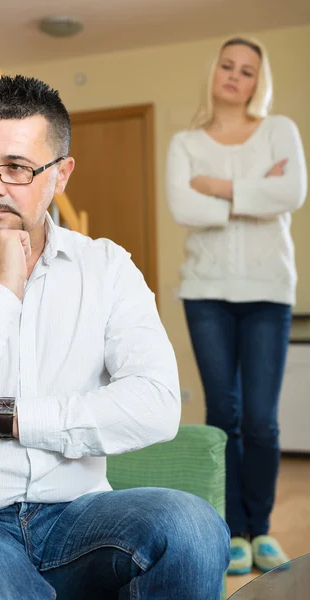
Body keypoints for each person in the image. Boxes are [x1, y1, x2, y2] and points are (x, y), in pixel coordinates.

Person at [0, 75, 229, 600]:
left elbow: (155, 405)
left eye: (16, 167)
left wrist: (7, 416)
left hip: (81, 517)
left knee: (192, 528)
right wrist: (4, 288)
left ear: (60, 175)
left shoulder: (107, 267)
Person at [165, 37, 307, 576]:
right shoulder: (184, 142)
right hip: (205, 291)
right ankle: (230, 532)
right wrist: (252, 194)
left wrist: (217, 187)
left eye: (247, 71)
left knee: (262, 421)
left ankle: (261, 528)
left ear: (257, 82)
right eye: (227, 65)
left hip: (269, 290)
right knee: (223, 414)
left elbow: (291, 192)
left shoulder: (280, 131)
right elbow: (183, 204)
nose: (234, 76)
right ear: (215, 72)